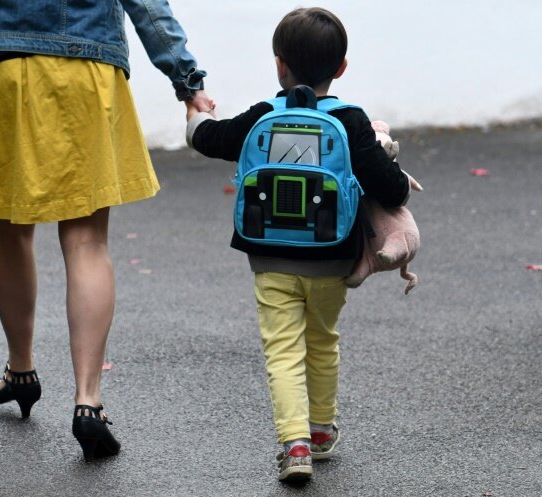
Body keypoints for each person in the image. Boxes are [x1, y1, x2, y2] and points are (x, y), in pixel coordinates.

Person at [0, 0, 213, 461]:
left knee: (10, 229)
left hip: (0, 62)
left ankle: (20, 371)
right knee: (87, 241)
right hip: (86, 66)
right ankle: (88, 403)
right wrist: (186, 79)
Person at [185, 7, 410, 482]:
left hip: (269, 256)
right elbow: (392, 191)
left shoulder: (263, 116)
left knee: (282, 350)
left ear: (279, 65)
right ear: (341, 68)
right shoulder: (351, 121)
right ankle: (321, 430)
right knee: (322, 340)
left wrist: (195, 116)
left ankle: (295, 445)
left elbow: (210, 138)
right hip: (332, 256)